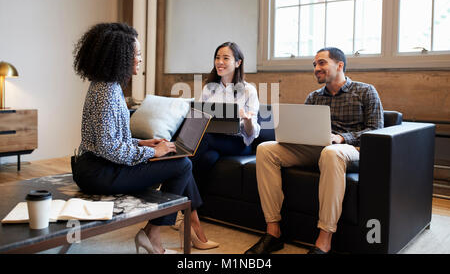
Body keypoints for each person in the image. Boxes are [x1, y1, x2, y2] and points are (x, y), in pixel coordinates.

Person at [71, 22, 218, 253]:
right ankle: (156, 232)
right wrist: (152, 152)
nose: (140, 58)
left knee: (177, 160)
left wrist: (142, 143)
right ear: (119, 57)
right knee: (182, 165)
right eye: (137, 54)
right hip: (99, 173)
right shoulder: (107, 92)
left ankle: (179, 228)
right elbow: (109, 148)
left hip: (97, 166)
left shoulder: (108, 86)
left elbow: (111, 140)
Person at [244, 47, 384, 254]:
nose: (316, 68)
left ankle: (324, 240)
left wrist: (342, 137)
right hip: (317, 148)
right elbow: (304, 129)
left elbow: (376, 130)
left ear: (340, 65)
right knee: (266, 149)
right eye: (315, 65)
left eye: (321, 63)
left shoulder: (365, 91)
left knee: (331, 153)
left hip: (352, 149)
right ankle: (273, 232)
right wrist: (294, 137)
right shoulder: (314, 97)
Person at [190, 42, 261, 190]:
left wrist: (247, 120)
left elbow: (250, 134)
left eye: (226, 58)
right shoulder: (209, 88)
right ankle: (194, 208)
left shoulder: (249, 91)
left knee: (204, 139)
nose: (220, 62)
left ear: (237, 62)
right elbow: (197, 118)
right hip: (213, 140)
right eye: (217, 57)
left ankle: (169, 190)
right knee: (208, 158)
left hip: (238, 143)